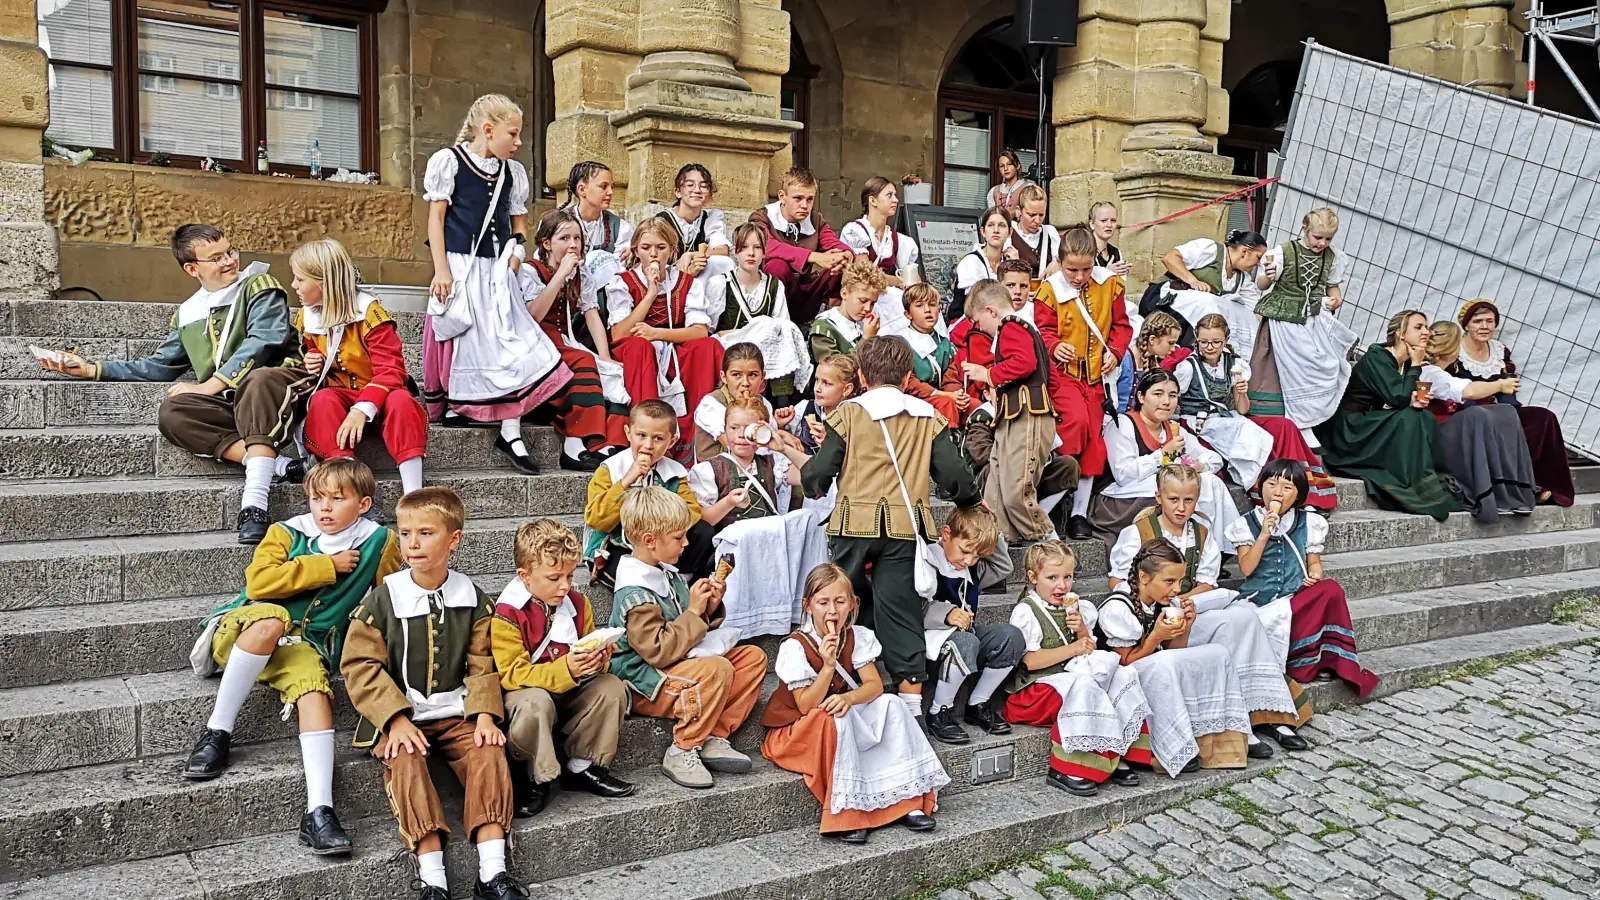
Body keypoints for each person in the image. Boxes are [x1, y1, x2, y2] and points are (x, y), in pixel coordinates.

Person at [183, 458, 400, 856]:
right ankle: (217, 732)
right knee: (275, 619)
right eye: (317, 498)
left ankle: (319, 812)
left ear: (364, 504)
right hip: (248, 628)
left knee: (315, 692)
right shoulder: (286, 532)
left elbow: (391, 596)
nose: (325, 508)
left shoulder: (378, 541)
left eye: (338, 498)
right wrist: (323, 566)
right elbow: (259, 583)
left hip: (305, 644)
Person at [39, 223, 307, 545]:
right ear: (192, 268)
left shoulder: (259, 285)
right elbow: (159, 366)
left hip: (278, 385)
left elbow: (264, 340)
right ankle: (282, 467)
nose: (229, 261)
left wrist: (208, 386)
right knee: (174, 412)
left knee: (257, 380)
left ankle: (254, 506)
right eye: (216, 258)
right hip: (234, 401)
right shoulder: (187, 313)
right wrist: (92, 369)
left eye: (230, 251)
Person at [339, 487, 525, 900]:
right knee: (403, 759)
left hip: (456, 711)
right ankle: (432, 877)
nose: (413, 543)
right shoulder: (384, 599)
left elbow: (482, 662)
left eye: (425, 533)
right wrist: (394, 718)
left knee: (489, 751)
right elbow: (359, 665)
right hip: (402, 716)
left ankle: (492, 872)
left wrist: (483, 715)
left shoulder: (472, 598)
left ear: (453, 540)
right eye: (405, 534)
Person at [801, 336, 983, 727]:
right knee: (901, 613)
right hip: (905, 527)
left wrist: (812, 485)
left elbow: (818, 472)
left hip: (853, 524)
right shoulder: (928, 416)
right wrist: (969, 499)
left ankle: (825, 680)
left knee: (837, 604)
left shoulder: (848, 413)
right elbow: (955, 476)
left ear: (863, 376)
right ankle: (911, 711)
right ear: (906, 376)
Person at [1105, 464, 1300, 759]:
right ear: (1158, 497)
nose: (1181, 508)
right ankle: (1236, 725)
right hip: (1154, 617)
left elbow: (1207, 582)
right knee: (1225, 631)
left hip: (1189, 607)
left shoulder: (1202, 531)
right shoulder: (1139, 532)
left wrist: (1184, 599)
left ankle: (1265, 710)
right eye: (1174, 500)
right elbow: (1118, 580)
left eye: (1189, 501)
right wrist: (1161, 599)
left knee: (1244, 617)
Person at [422, 94, 571, 476]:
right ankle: (460, 405)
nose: (519, 142)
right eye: (513, 133)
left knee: (511, 342)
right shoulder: (449, 162)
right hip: (459, 265)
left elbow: (518, 224)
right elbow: (436, 221)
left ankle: (510, 429)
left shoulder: (512, 172)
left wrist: (517, 254)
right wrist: (442, 270)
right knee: (465, 337)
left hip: (497, 269)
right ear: (488, 131)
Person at [762, 563, 947, 843]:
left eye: (840, 601)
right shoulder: (795, 646)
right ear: (808, 606)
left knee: (891, 705)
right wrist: (827, 666)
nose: (832, 611)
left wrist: (848, 697)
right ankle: (848, 812)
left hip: (839, 716)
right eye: (823, 602)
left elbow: (872, 685)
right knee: (834, 717)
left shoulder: (857, 636)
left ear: (852, 604)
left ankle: (906, 799)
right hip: (798, 730)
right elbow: (805, 706)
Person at [607, 486, 768, 788]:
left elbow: (686, 625)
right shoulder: (635, 593)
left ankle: (713, 734)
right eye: (679, 537)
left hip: (678, 663)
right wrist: (694, 613)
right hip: (645, 681)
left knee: (753, 659)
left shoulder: (665, 571)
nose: (687, 542)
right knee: (717, 669)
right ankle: (682, 748)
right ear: (650, 541)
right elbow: (658, 652)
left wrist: (707, 605)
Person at [1228, 459, 1379, 750]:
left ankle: (1322, 659)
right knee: (1262, 621)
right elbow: (1246, 568)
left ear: (1298, 494)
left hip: (1293, 598)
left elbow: (1315, 564)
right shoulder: (1246, 524)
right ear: (1261, 488)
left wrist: (1314, 577)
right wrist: (1263, 534)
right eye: (1272, 484)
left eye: (1287, 487)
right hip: (1259, 603)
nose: (1278, 492)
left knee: (1330, 588)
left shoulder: (1310, 522)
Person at [492, 519, 634, 819]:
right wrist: (565, 668)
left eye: (570, 575)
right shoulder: (507, 613)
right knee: (536, 701)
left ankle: (581, 766)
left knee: (611, 686)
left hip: (568, 694)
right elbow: (511, 674)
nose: (565, 586)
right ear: (525, 577)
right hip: (526, 701)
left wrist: (599, 659)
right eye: (554, 577)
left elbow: (587, 655)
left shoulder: (579, 604)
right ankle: (534, 776)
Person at [1000, 541, 1151, 794]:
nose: (1062, 585)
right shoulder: (1026, 611)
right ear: (1032, 577)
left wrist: (1081, 630)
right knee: (1084, 684)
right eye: (1052, 578)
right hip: (1034, 692)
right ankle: (1070, 765)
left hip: (1066, 682)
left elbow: (1087, 645)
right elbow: (1030, 661)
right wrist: (1073, 649)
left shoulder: (1078, 607)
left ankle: (1117, 749)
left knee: (1122, 673)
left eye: (1068, 577)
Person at [1094, 539, 1252, 775]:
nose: (1177, 589)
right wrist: (1156, 636)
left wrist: (1186, 626)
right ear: (1144, 578)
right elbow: (1124, 662)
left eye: (1179, 580)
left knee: (1218, 653)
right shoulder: (1118, 608)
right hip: (1117, 680)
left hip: (1151, 669)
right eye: (1169, 581)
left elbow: (1174, 652)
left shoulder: (1163, 602)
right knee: (1165, 664)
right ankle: (1164, 749)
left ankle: (1216, 744)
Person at [290, 240, 429, 493]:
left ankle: (413, 492)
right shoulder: (306, 316)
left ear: (323, 283)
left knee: (402, 401)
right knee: (323, 399)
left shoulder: (369, 314)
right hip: (340, 396)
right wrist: (312, 359)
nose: (294, 286)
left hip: (381, 397)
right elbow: (312, 348)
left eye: (300, 280)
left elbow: (392, 370)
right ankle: (346, 477)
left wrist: (361, 410)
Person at [1170, 313, 1337, 511]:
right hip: (1200, 423)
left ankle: (1301, 490)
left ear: (1226, 340)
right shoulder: (1188, 368)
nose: (1210, 347)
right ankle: (1268, 492)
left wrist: (1241, 393)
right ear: (1196, 339)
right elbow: (1171, 401)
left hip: (1229, 418)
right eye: (1204, 341)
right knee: (1249, 433)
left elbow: (1242, 409)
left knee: (1285, 426)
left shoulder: (1233, 364)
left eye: (1216, 342)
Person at [689, 398, 826, 635]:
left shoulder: (772, 462)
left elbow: (809, 475)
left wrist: (780, 444)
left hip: (768, 539)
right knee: (743, 533)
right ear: (725, 429)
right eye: (734, 428)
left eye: (749, 428)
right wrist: (729, 502)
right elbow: (706, 521)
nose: (741, 435)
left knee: (809, 519)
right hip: (733, 546)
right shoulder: (709, 469)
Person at [1036, 224, 1133, 540]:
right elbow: (1042, 330)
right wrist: (1054, 345)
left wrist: (1116, 353)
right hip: (1064, 377)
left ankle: (1078, 514)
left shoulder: (1110, 286)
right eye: (1071, 270)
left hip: (1098, 379)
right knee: (1075, 427)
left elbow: (1121, 327)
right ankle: (1043, 507)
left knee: (1095, 443)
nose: (1078, 277)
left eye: (1086, 269)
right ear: (1060, 262)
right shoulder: (1049, 291)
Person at [1317, 310, 1459, 521]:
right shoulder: (1378, 356)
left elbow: (1401, 397)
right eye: (1418, 327)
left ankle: (1423, 480)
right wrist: (1417, 366)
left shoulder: (1404, 361)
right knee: (1412, 418)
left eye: (1426, 327)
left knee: (1424, 417)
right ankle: (1406, 480)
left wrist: (1415, 399)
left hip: (1368, 420)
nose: (1426, 332)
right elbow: (1397, 397)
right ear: (1401, 333)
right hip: (1349, 429)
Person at [962, 281, 1075, 542]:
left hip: (1026, 416)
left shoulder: (1011, 325)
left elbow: (1025, 363)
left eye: (979, 321)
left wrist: (988, 374)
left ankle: (1048, 541)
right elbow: (1051, 378)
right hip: (1013, 416)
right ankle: (999, 541)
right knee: (996, 491)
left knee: (1015, 490)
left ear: (991, 311)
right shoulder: (1025, 329)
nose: (980, 329)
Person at [521, 208, 631, 468]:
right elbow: (533, 316)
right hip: (536, 340)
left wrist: (604, 355)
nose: (573, 245)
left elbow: (591, 313)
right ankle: (574, 442)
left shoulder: (581, 275)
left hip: (563, 339)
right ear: (546, 244)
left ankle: (608, 444)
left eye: (577, 239)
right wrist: (560, 276)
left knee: (612, 372)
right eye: (564, 239)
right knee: (582, 362)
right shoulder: (530, 272)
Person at [606, 217, 726, 437]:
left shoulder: (687, 283)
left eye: (660, 248)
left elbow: (700, 331)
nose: (653, 254)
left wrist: (657, 334)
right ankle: (648, 429)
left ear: (672, 251)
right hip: (636, 349)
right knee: (640, 347)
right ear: (636, 250)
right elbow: (619, 333)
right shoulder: (623, 282)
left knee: (707, 346)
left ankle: (697, 430)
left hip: (671, 343)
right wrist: (650, 294)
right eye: (646, 247)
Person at [1451, 298, 1575, 507]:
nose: (1484, 326)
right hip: (1466, 414)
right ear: (1466, 325)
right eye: (1478, 321)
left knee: (1542, 417)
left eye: (1489, 321)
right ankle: (1516, 489)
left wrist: (1509, 414)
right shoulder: (1455, 352)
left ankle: (1543, 484)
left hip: (1499, 411)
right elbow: (1454, 393)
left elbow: (1509, 391)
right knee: (1495, 423)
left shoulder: (1499, 351)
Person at [1093, 368, 1241, 542]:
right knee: (1178, 486)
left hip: (1162, 492)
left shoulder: (1172, 428)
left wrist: (1198, 467)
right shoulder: (1123, 425)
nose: (1166, 401)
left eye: (1172, 395)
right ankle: (1188, 543)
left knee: (1209, 481)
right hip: (1121, 500)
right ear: (1141, 397)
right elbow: (1124, 475)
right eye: (1158, 394)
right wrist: (1163, 455)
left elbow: (1214, 459)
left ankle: (1216, 545)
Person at [1249, 208, 1360, 438]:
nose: (1322, 243)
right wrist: (1268, 275)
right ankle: (1286, 421)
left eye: (1328, 238)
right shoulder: (1282, 253)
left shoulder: (1333, 257)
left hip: (1313, 320)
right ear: (1305, 229)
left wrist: (1337, 298)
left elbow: (1332, 286)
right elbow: (1261, 285)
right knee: (1286, 368)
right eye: (1317, 237)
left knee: (1322, 365)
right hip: (1283, 321)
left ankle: (1307, 418)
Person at [920, 506, 1025, 745]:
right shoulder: (928, 557)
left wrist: (991, 529)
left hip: (969, 641)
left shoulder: (971, 566)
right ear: (946, 534)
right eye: (965, 551)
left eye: (977, 556)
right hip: (934, 644)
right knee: (966, 641)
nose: (968, 560)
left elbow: (1003, 567)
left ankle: (977, 702)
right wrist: (946, 614)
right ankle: (939, 711)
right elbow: (912, 608)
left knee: (1011, 636)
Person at [583, 400, 716, 585]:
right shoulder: (610, 469)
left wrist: (660, 519)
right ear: (628, 433)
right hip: (619, 545)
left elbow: (692, 512)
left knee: (703, 531)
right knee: (626, 569)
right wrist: (626, 483)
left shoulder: (675, 472)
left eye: (658, 438)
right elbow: (596, 519)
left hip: (661, 544)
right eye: (641, 435)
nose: (648, 445)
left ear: (672, 441)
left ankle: (681, 580)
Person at [1421, 321, 1537, 522]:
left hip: (1451, 431)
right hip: (1433, 435)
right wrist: (1500, 384)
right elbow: (1469, 391)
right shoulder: (1427, 372)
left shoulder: (1442, 371)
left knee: (1506, 412)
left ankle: (1512, 491)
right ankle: (1489, 494)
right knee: (1477, 415)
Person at [707, 223, 812, 405]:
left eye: (757, 248)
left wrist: (761, 328)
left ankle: (781, 403)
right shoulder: (721, 283)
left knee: (782, 334)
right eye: (744, 247)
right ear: (735, 252)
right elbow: (711, 329)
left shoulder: (774, 285)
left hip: (766, 350)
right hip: (732, 348)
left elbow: (781, 325)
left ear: (764, 252)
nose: (751, 253)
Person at [750, 167, 853, 324]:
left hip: (806, 294)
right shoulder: (762, 217)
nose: (805, 205)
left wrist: (846, 254)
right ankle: (776, 321)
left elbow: (834, 243)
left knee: (840, 264)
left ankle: (833, 318)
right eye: (798, 198)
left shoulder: (815, 219)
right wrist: (813, 256)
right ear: (782, 197)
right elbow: (766, 245)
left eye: (810, 199)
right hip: (772, 294)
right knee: (777, 266)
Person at [1157, 230, 1269, 358]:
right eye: (1258, 257)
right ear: (1244, 251)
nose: (1258, 264)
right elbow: (1170, 258)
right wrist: (1193, 280)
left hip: (1196, 317)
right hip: (1167, 302)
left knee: (1239, 311)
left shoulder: (1243, 279)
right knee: (1210, 303)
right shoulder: (1211, 250)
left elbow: (1254, 310)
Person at [692, 342, 782, 462]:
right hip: (719, 476)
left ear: (762, 377)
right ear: (724, 377)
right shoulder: (711, 405)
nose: (745, 382)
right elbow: (737, 447)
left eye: (752, 375)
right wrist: (783, 436)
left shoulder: (764, 404)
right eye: (736, 375)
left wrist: (779, 427)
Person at [896, 283, 966, 425]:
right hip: (913, 399)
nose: (927, 310)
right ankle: (948, 442)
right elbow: (909, 382)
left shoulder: (944, 344)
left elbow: (951, 377)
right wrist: (945, 395)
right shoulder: (900, 343)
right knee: (946, 404)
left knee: (975, 406)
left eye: (933, 304)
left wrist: (958, 395)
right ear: (908, 314)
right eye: (920, 305)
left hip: (944, 396)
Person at [657, 163, 734, 292]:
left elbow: (723, 251)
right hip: (668, 278)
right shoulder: (663, 221)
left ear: (709, 194)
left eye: (703, 186)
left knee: (722, 263)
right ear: (678, 192)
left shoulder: (710, 219)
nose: (697, 190)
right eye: (690, 185)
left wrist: (691, 255)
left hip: (699, 279)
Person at [840, 176, 921, 288]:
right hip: (861, 300)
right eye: (889, 195)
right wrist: (899, 281)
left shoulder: (899, 240)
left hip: (888, 300)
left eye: (895, 195)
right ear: (873, 200)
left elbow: (915, 279)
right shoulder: (854, 231)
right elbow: (866, 274)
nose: (896, 200)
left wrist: (913, 282)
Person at [810, 257, 885, 361]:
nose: (868, 308)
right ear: (844, 294)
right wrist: (866, 339)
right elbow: (837, 371)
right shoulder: (824, 328)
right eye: (863, 301)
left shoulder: (864, 325)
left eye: (872, 303)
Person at [786, 352, 858, 458]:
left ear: (847, 389)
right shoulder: (804, 409)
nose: (817, 388)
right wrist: (781, 425)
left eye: (826, 383)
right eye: (817, 380)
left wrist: (831, 444)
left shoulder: (856, 419)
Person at [564, 160, 633, 263]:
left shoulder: (619, 228)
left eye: (611, 187)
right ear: (582, 189)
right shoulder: (557, 223)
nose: (610, 192)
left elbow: (621, 267)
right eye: (603, 186)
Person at [951, 206, 1010, 315]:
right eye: (991, 225)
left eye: (1001, 226)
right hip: (968, 322)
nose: (996, 230)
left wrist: (1015, 265)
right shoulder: (971, 262)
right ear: (983, 231)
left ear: (1010, 232)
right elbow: (978, 303)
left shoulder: (1009, 260)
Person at [1006, 185, 1061, 284]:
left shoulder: (1050, 232)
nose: (1037, 220)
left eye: (1041, 215)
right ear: (1019, 211)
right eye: (1031, 215)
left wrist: (1058, 263)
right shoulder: (1008, 234)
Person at [1089, 201, 1132, 276]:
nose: (1109, 225)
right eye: (1103, 221)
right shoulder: (1083, 250)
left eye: (1113, 220)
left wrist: (1123, 273)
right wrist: (1107, 272)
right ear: (1092, 224)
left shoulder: (1116, 252)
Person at [986, 149, 1034, 213]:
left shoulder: (1027, 188)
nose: (1005, 169)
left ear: (1017, 166)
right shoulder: (994, 191)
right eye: (1001, 166)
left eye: (1009, 164)